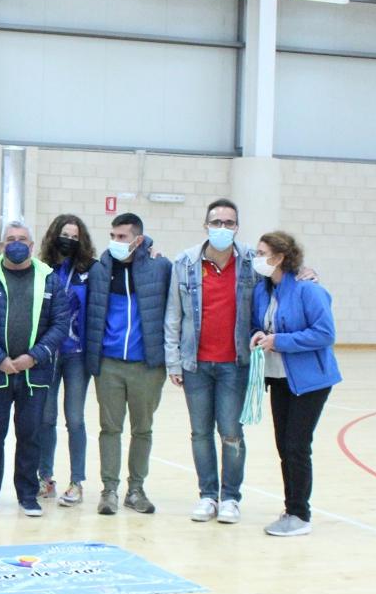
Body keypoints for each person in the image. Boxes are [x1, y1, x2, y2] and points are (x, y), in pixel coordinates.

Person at [165, 199, 256, 525]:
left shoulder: (251, 262)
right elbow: (173, 315)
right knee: (200, 433)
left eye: (228, 223)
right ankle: (207, 496)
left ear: (237, 227)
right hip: (196, 365)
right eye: (216, 222)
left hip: (235, 364)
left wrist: (303, 272)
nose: (222, 228)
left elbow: (278, 280)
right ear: (206, 226)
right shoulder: (185, 262)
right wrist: (173, 362)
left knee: (231, 431)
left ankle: (231, 498)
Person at [0, 221, 69, 516]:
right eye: (10, 239)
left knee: (30, 436)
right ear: (1, 246)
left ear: (32, 245)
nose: (16, 244)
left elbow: (60, 323)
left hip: (34, 373)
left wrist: (34, 356)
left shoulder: (49, 279)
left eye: (22, 239)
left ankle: (28, 495)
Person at [251, 232, 341, 537]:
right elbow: (260, 323)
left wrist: (281, 341)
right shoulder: (262, 291)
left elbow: (325, 334)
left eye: (262, 253)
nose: (257, 258)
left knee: (297, 446)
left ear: (280, 258)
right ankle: (291, 507)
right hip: (278, 379)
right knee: (283, 445)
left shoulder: (308, 290)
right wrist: (258, 335)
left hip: (310, 381)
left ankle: (299, 514)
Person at [85, 213, 172, 515]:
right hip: (108, 364)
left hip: (147, 366)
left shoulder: (161, 268)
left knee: (143, 429)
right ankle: (109, 490)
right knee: (109, 428)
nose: (115, 242)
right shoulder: (99, 270)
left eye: (122, 237)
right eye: (113, 236)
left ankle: (136, 489)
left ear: (138, 239)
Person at [36, 214, 97, 507]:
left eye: (75, 237)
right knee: (46, 418)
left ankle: (77, 482)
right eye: (65, 235)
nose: (69, 241)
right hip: (47, 353)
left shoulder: (90, 270)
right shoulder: (41, 268)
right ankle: (45, 478)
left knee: (74, 418)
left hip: (77, 355)